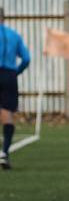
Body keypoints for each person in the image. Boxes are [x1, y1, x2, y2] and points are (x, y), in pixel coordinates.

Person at [0, 22, 31, 170]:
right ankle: (4, 153)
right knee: (7, 112)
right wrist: (15, 72)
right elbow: (26, 58)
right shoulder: (14, 35)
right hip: (9, 75)